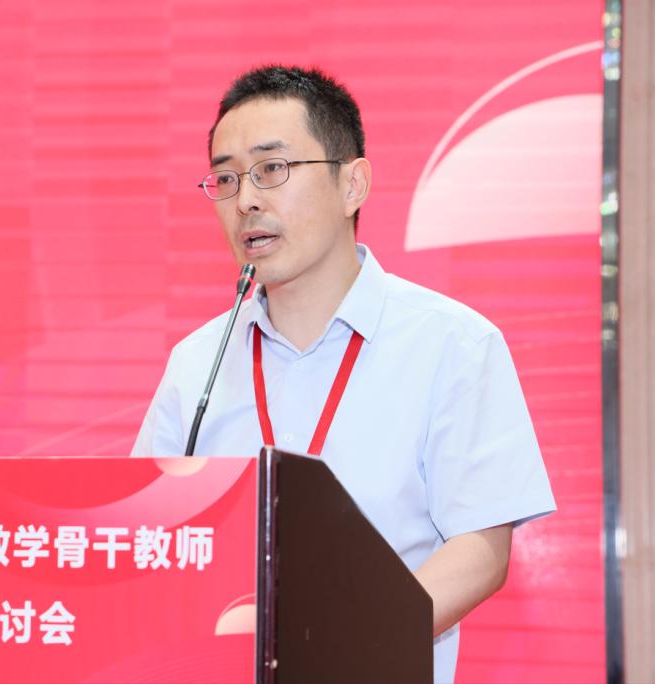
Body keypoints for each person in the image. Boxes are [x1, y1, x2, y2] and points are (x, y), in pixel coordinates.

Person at [131, 65, 555, 683]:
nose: (246, 200)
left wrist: (340, 645)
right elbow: (151, 541)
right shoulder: (197, 362)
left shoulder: (452, 344)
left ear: (352, 184)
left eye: (272, 168)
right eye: (226, 178)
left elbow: (480, 551)